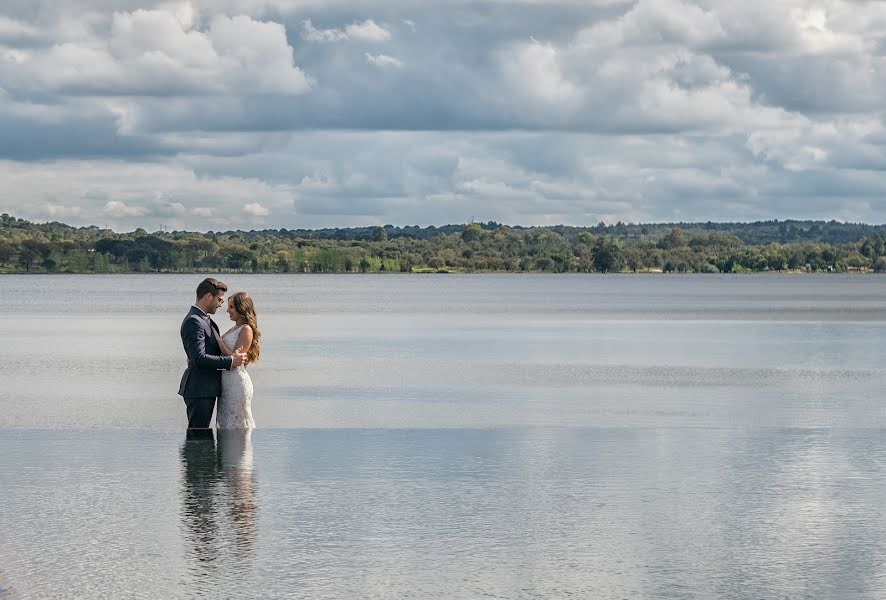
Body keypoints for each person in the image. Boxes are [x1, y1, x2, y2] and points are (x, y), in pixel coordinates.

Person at [179, 278, 248, 430]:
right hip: (199, 389)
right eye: (220, 300)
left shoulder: (205, 320)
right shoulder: (194, 321)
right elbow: (199, 358)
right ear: (209, 296)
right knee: (198, 438)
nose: (220, 304)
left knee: (202, 439)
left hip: (206, 388)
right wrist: (230, 361)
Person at [212, 291, 260, 429]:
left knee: (237, 426)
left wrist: (219, 341)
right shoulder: (235, 328)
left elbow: (235, 361)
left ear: (242, 307)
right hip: (226, 384)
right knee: (226, 424)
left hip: (237, 385)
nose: (227, 310)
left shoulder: (246, 329)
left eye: (231, 307)